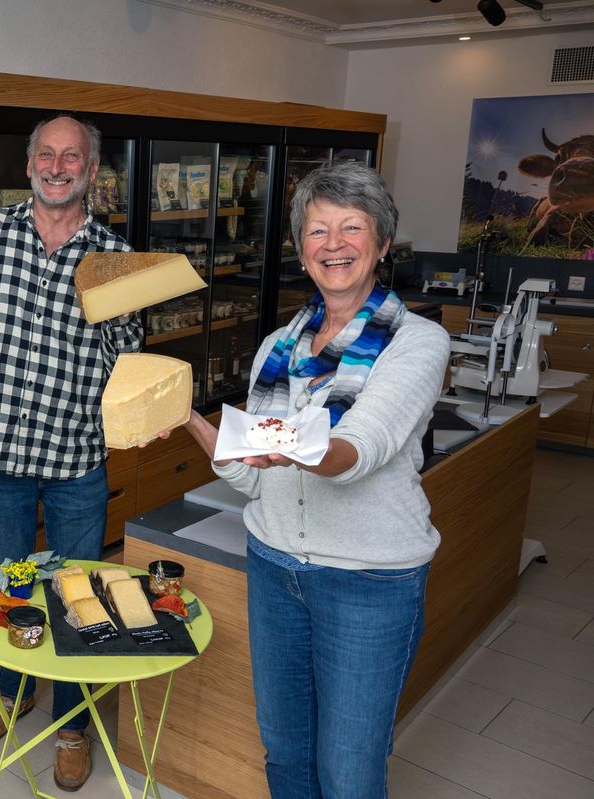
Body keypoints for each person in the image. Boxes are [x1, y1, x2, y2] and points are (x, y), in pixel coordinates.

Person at [179, 161, 450, 798]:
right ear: (302, 250)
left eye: (351, 228)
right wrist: (184, 415)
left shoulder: (416, 342)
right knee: (286, 753)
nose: (334, 245)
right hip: (274, 568)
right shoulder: (280, 346)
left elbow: (361, 448)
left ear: (381, 244)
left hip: (369, 581)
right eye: (318, 230)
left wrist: (295, 448)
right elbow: (250, 477)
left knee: (350, 771)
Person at [0, 114, 143, 792]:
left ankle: (71, 727)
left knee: (78, 595)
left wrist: (122, 315)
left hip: (75, 456)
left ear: (92, 170)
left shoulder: (112, 254)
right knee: (9, 585)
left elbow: (126, 361)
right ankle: (15, 693)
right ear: (29, 163)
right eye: (47, 153)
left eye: (72, 155)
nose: (58, 164)